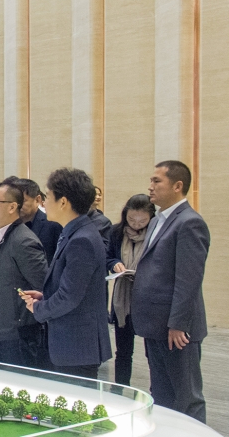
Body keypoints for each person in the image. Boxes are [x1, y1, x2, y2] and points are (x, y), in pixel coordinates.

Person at [131, 161, 209, 422]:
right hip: (156, 326)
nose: (150, 187)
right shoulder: (157, 221)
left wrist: (178, 324)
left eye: (157, 181)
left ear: (177, 186)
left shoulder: (189, 222)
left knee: (187, 397)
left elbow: (189, 280)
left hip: (177, 330)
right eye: (151, 181)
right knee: (161, 394)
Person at [20, 168, 111, 380]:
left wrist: (39, 309)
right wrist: (45, 296)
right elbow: (75, 287)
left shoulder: (82, 239)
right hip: (73, 343)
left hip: (77, 345)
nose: (44, 203)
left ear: (63, 202)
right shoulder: (75, 232)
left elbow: (70, 296)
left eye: (47, 197)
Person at [0, 181, 49, 370]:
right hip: (2, 329)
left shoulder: (23, 241)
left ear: (12, 207)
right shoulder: (2, 236)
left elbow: (44, 285)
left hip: (19, 334)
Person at [105, 194, 155, 387]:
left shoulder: (156, 234)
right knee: (123, 351)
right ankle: (119, 388)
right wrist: (115, 264)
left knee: (152, 352)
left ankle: (155, 390)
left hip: (147, 298)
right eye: (132, 219)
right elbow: (108, 256)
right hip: (122, 299)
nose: (136, 224)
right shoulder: (116, 232)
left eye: (142, 221)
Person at [7, 176, 63, 265]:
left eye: (22, 201)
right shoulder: (8, 225)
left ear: (37, 200)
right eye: (13, 202)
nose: (17, 206)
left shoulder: (52, 225)